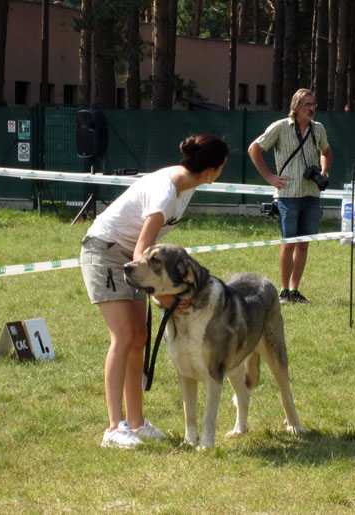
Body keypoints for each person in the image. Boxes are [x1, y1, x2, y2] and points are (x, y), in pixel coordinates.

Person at [80, 134, 229, 448]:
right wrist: (165, 297)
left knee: (139, 337)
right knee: (123, 336)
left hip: (132, 258)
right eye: (222, 167)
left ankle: (136, 424)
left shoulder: (185, 187)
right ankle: (112, 429)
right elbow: (141, 253)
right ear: (211, 171)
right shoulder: (166, 193)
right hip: (106, 252)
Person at [248, 88, 332, 305]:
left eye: (314, 104)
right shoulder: (280, 127)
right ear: (296, 106)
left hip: (312, 194)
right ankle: (283, 291)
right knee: (288, 243)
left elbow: (326, 152)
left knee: (304, 244)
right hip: (288, 195)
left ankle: (295, 290)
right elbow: (254, 149)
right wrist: (269, 176)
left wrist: (323, 172)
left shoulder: (318, 129)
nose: (312, 108)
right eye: (308, 104)